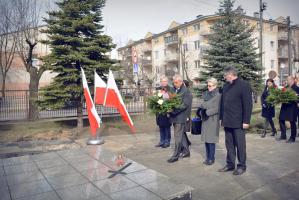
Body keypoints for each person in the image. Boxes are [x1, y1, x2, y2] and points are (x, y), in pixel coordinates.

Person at [219, 66, 252, 176]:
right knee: (229, 144)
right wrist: (221, 118)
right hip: (227, 121)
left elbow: (248, 105)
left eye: (225, 76)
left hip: (239, 122)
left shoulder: (243, 85)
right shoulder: (226, 86)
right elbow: (222, 104)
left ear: (231, 75)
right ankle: (230, 164)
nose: (224, 78)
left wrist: (246, 121)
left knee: (240, 145)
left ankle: (242, 166)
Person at [167, 74, 193, 163]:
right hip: (174, 116)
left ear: (181, 82)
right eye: (174, 82)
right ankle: (186, 152)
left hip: (180, 117)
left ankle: (175, 156)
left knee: (177, 136)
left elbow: (184, 105)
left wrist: (173, 111)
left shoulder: (186, 91)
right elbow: (170, 100)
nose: (175, 84)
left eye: (176, 83)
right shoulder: (173, 89)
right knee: (181, 135)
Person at [198, 78, 221, 165]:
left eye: (210, 86)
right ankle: (208, 157)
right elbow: (202, 104)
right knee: (206, 140)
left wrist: (206, 112)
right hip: (205, 120)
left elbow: (217, 108)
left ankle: (211, 158)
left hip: (212, 120)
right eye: (208, 85)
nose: (208, 87)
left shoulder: (218, 95)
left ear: (215, 85)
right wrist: (200, 110)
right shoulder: (206, 94)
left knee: (211, 140)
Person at [277, 76, 299, 143]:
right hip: (285, 106)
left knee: (292, 122)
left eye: (288, 80)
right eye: (287, 80)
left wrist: (297, 100)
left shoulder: (297, 88)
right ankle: (283, 135)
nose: (287, 81)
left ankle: (292, 138)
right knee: (281, 119)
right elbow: (282, 95)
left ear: (292, 80)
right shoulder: (286, 88)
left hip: (292, 107)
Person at [155, 77, 172, 148]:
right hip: (159, 111)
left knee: (166, 127)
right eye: (162, 81)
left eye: (165, 81)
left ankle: (167, 141)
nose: (163, 82)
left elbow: (172, 100)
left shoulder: (170, 89)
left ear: (167, 82)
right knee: (161, 126)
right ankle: (162, 141)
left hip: (167, 111)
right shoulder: (159, 89)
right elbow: (157, 98)